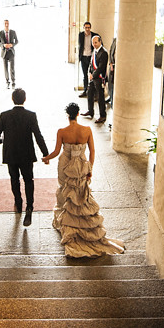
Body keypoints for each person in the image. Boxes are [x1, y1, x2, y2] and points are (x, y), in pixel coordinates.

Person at [42, 103, 125, 258]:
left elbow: (56, 151)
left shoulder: (62, 131)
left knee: (66, 190)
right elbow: (92, 151)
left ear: (68, 115)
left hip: (66, 164)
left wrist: (46, 158)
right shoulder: (86, 130)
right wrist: (89, 169)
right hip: (81, 165)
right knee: (81, 192)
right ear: (78, 114)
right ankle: (81, 222)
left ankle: (68, 224)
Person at [0, 88, 48, 227]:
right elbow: (38, 136)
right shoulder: (31, 115)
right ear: (25, 99)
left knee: (14, 179)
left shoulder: (4, 115)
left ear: (12, 99)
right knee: (29, 180)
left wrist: (2, 141)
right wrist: (45, 153)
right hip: (26, 154)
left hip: (11, 154)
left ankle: (18, 202)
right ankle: (29, 207)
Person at [81, 34, 108, 124]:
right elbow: (90, 64)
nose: (94, 44)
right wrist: (89, 72)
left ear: (100, 42)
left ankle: (102, 116)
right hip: (93, 77)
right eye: (93, 43)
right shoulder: (94, 50)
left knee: (100, 98)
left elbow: (101, 67)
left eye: (96, 42)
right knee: (89, 93)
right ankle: (90, 111)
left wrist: (93, 75)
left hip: (99, 78)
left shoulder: (103, 52)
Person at [77, 22, 98, 97]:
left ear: (90, 28)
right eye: (86, 27)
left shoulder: (95, 35)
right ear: (83, 28)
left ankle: (93, 92)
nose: (87, 29)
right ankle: (85, 91)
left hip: (91, 57)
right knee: (85, 75)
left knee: (93, 75)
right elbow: (80, 46)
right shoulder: (81, 35)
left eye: (88, 27)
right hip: (83, 57)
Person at [0, 19, 18, 88]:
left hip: (11, 52)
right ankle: (7, 82)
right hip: (4, 53)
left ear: (9, 24)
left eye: (7, 23)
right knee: (5, 68)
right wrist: (3, 45)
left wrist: (12, 45)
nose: (6, 25)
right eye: (5, 23)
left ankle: (13, 82)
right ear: (3, 24)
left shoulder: (13, 32)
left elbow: (17, 41)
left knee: (12, 68)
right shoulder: (0, 33)